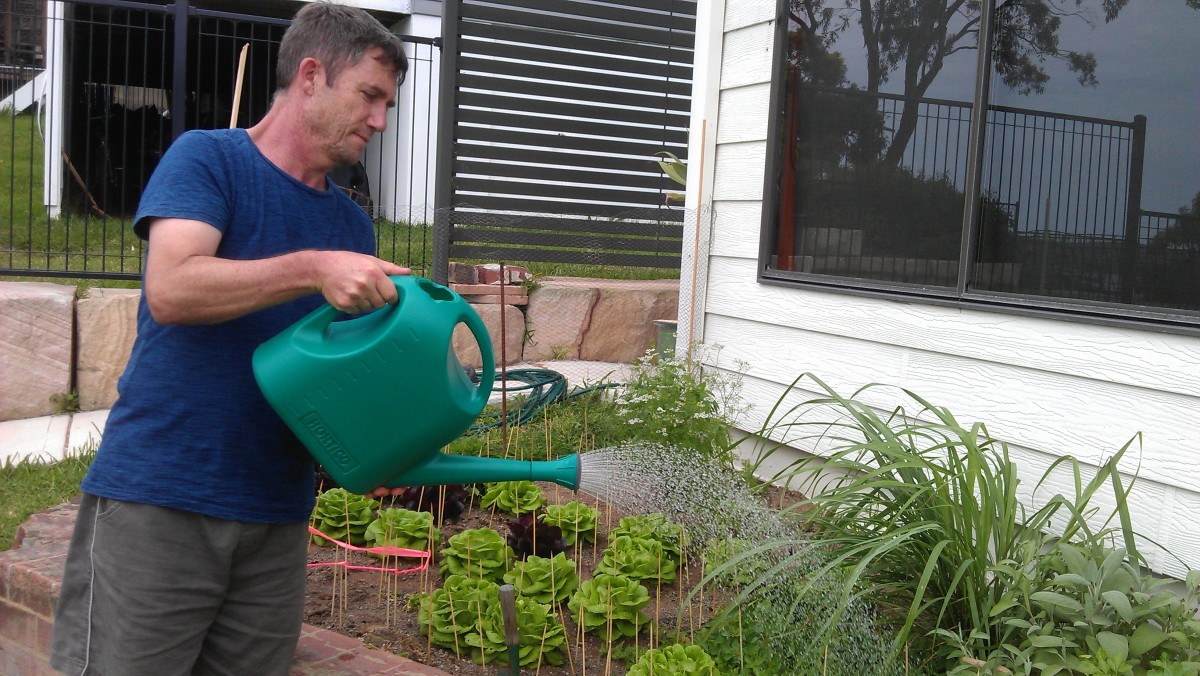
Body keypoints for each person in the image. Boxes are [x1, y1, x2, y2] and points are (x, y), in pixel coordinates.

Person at [50, 3, 409, 674]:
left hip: (275, 519)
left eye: (387, 104)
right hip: (162, 499)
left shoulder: (351, 228)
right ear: (311, 75)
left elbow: (343, 383)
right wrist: (313, 268)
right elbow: (174, 288)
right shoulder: (208, 161)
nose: (380, 120)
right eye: (369, 96)